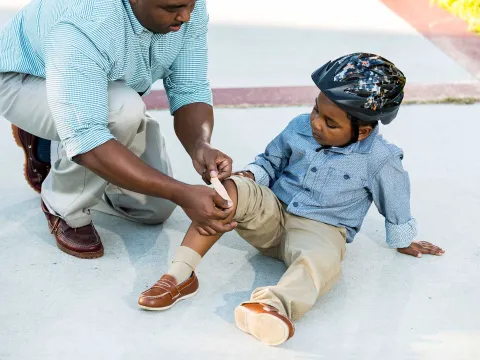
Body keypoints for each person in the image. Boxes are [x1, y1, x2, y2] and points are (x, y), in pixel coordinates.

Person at [137, 53, 445, 346]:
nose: (316, 123)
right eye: (316, 110)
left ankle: (272, 307)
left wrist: (403, 238)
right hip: (271, 214)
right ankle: (179, 275)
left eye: (331, 123)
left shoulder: (380, 158)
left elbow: (394, 196)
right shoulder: (299, 127)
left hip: (321, 230)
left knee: (321, 263)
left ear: (363, 131)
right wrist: (249, 176)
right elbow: (270, 163)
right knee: (227, 190)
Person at [0, 0, 236, 259]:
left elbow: (189, 88)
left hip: (104, 83)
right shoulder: (86, 21)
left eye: (190, 4)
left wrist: (200, 144)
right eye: (172, 8)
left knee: (155, 208)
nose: (186, 16)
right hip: (25, 78)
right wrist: (181, 192)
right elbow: (88, 136)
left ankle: (48, 143)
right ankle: (63, 205)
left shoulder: (185, 7)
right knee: (123, 110)